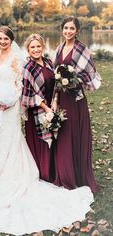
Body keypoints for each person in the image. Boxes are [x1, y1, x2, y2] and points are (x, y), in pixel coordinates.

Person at [0, 27, 94, 235]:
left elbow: (20, 86)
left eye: (6, 38)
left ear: (12, 40)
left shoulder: (17, 59)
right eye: (0, 38)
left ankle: (16, 173)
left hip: (12, 106)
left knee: (12, 136)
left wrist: (9, 101)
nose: (2, 41)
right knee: (1, 138)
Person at [53, 16, 101, 193]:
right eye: (66, 28)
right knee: (64, 134)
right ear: (62, 29)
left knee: (75, 133)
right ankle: (65, 173)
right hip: (62, 99)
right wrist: (57, 95)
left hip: (75, 99)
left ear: (77, 30)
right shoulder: (59, 49)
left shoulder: (82, 49)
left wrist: (73, 80)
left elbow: (90, 73)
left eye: (72, 28)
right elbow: (55, 74)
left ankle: (78, 175)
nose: (68, 31)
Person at [21, 34, 56, 182]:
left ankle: (53, 172)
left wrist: (54, 102)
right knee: (41, 142)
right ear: (28, 49)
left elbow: (57, 84)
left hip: (52, 106)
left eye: (38, 46)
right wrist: (45, 107)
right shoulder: (28, 67)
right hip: (37, 110)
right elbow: (28, 93)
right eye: (32, 47)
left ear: (43, 47)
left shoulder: (48, 62)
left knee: (53, 139)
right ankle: (42, 174)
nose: (36, 50)